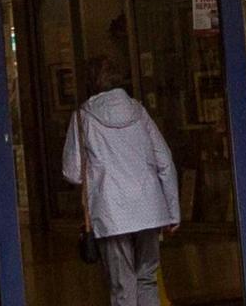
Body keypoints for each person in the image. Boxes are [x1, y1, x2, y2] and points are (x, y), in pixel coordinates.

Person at [62, 72, 181, 306]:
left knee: (122, 286)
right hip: (149, 207)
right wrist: (173, 211)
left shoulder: (82, 117)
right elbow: (165, 161)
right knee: (147, 279)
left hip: (111, 212)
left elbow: (73, 172)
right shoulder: (139, 111)